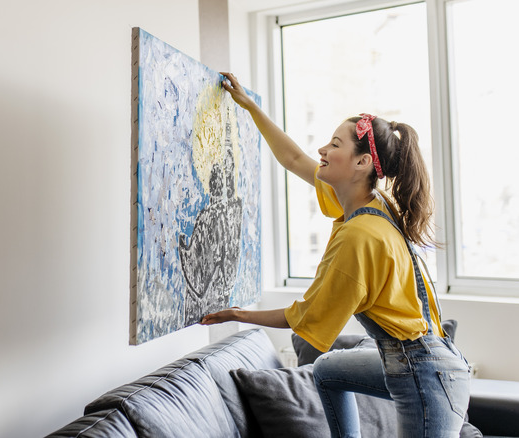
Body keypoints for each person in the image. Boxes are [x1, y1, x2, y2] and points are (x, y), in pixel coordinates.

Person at [201, 72, 471, 437]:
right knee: (328, 369)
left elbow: (308, 318)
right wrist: (250, 108)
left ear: (361, 164)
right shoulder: (370, 203)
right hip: (420, 358)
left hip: (427, 377)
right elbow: (294, 157)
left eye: (333, 144)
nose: (321, 151)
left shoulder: (359, 235)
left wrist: (239, 314)